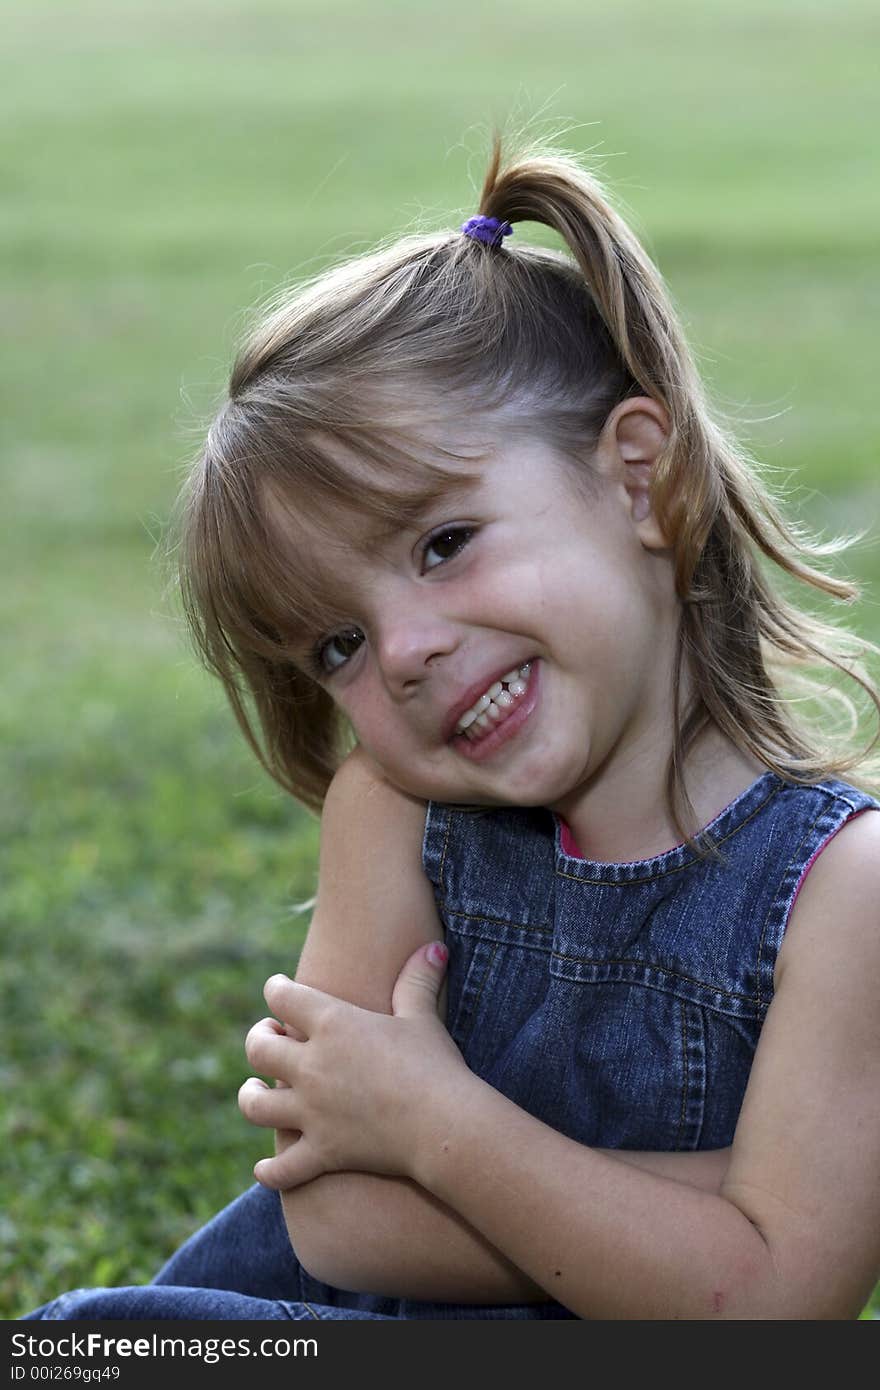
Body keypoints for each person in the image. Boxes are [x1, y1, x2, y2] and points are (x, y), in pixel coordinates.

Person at [25, 135, 880, 1321]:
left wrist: (433, 1125)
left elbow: (779, 1303)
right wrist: (714, 1217)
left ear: (642, 478)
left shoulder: (842, 889)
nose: (408, 651)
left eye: (442, 544)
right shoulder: (394, 814)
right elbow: (333, 1220)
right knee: (93, 1346)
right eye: (340, 646)